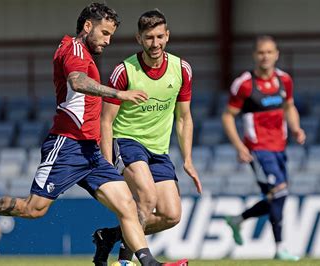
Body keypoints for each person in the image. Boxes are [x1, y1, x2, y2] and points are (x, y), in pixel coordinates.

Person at [0, 3, 186, 266]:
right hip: (67, 145)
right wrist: (118, 93)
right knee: (33, 209)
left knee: (128, 206)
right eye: (105, 33)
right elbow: (77, 82)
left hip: (90, 150)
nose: (108, 41)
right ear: (88, 26)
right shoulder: (72, 50)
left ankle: (148, 263)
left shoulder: (84, 52)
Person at [91, 10, 202, 266]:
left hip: (159, 150)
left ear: (168, 36)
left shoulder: (182, 69)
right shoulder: (124, 71)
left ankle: (109, 236)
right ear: (139, 38)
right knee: (147, 198)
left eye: (160, 37)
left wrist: (188, 159)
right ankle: (125, 261)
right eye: (149, 37)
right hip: (127, 141)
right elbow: (105, 121)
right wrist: (107, 164)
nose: (155, 43)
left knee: (171, 215)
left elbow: (184, 118)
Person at [221, 35, 306, 261]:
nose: (265, 56)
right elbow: (228, 116)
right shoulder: (245, 84)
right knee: (279, 191)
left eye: (269, 52)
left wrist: (296, 128)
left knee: (276, 196)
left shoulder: (284, 80)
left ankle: (238, 220)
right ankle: (280, 248)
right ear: (254, 55)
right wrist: (240, 146)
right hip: (258, 149)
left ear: (277, 54)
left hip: (280, 147)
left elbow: (289, 107)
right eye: (261, 52)